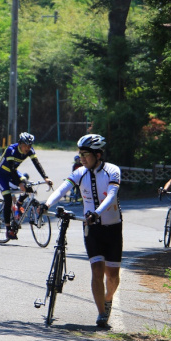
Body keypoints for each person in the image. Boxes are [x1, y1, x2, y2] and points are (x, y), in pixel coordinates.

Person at [41, 134, 123, 328]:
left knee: (112, 276)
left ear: (98, 154)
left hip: (112, 228)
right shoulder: (80, 172)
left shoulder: (112, 171)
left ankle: (108, 298)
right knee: (96, 270)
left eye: (85, 154)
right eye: (80, 154)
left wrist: (97, 213)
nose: (82, 158)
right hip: (91, 228)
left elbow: (111, 196)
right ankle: (102, 313)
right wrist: (47, 203)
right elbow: (63, 189)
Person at [0, 132, 53, 240]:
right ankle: (8, 229)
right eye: (26, 145)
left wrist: (46, 177)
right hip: (2, 175)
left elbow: (37, 163)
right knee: (7, 198)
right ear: (20, 143)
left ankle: (19, 203)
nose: (28, 148)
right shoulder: (11, 150)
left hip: (14, 173)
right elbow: (12, 169)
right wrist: (20, 183)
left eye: (30, 145)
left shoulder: (30, 151)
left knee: (29, 188)